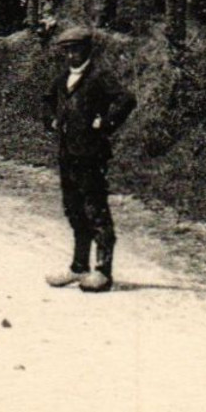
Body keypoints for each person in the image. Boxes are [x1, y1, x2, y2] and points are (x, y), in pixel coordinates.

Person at [42, 25, 136, 292]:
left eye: (76, 49)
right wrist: (50, 119)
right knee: (73, 209)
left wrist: (105, 123)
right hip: (67, 153)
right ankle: (78, 267)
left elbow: (126, 99)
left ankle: (103, 271)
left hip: (91, 153)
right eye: (67, 50)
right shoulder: (63, 79)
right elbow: (47, 100)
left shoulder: (98, 76)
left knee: (95, 209)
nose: (72, 55)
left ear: (87, 49)